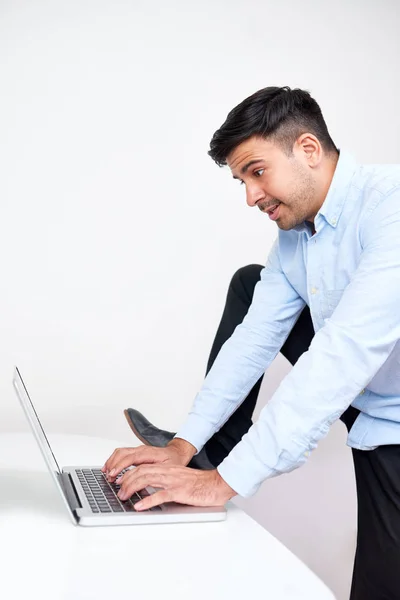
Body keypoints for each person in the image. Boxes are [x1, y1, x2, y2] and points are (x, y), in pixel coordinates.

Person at [103, 86, 400, 600]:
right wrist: (184, 446)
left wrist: (224, 483)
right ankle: (207, 451)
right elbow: (254, 339)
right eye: (241, 181)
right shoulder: (296, 237)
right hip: (377, 402)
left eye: (257, 172)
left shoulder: (389, 208)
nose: (250, 196)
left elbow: (339, 357)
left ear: (307, 150)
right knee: (251, 284)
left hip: (380, 397)